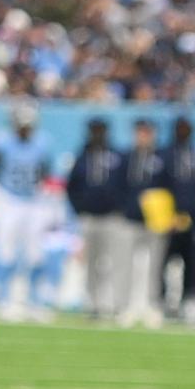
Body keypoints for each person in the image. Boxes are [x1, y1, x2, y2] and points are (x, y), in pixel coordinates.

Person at [0, 101, 52, 319]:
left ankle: (35, 301)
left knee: (35, 253)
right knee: (6, 251)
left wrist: (43, 191)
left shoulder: (41, 143)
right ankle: (4, 299)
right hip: (9, 201)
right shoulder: (2, 142)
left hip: (33, 201)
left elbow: (44, 171)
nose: (25, 129)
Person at [64, 117, 127, 318]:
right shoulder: (82, 157)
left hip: (112, 218)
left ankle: (114, 303)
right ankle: (92, 303)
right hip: (90, 217)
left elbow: (125, 183)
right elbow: (71, 186)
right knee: (91, 263)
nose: (97, 135)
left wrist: (120, 207)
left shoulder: (116, 156)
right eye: (95, 130)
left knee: (115, 262)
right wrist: (79, 208)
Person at [159, 115, 195, 320]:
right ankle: (164, 300)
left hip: (194, 219)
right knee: (164, 262)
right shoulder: (164, 155)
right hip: (168, 220)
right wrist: (168, 214)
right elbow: (159, 187)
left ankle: (190, 300)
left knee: (194, 262)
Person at [117, 118, 169, 328]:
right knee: (125, 266)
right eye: (141, 132)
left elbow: (169, 187)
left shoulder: (162, 158)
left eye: (147, 132)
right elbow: (117, 186)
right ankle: (125, 306)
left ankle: (152, 306)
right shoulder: (126, 158)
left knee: (154, 268)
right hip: (130, 219)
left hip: (155, 222)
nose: (144, 136)